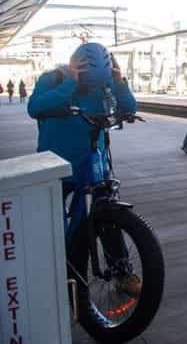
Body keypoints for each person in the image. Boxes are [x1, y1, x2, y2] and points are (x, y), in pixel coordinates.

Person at [27, 42, 142, 297]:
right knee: (53, 220)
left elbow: (129, 108)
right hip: (56, 164)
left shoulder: (105, 83)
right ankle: (56, 266)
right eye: (89, 84)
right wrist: (70, 82)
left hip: (93, 162)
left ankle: (122, 271)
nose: (94, 89)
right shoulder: (54, 78)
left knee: (108, 213)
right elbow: (34, 108)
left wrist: (119, 82)